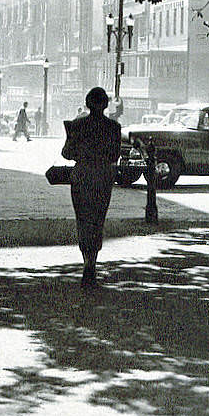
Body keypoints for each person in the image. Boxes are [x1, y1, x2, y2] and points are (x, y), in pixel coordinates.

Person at [62, 86, 122, 287]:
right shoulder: (114, 127)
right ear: (105, 105)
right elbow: (115, 155)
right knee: (98, 218)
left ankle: (86, 259)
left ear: (87, 103)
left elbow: (66, 153)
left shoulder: (77, 126)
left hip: (82, 175)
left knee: (83, 218)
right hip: (103, 176)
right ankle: (93, 261)